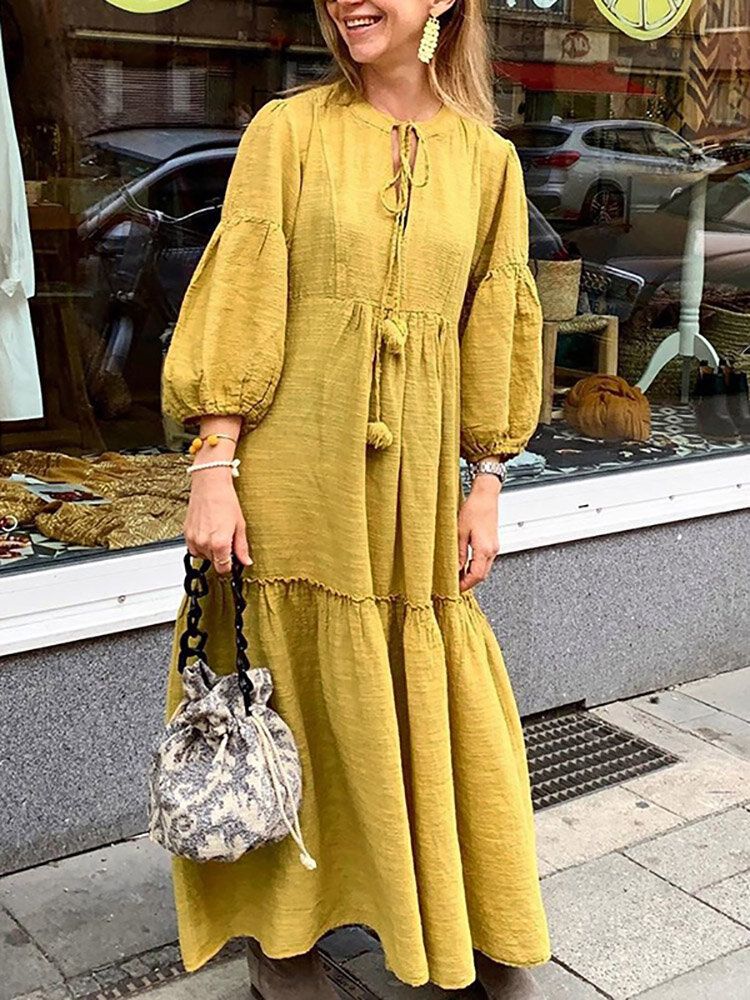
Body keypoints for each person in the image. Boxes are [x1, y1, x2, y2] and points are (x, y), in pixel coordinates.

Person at [160, 1, 552, 996]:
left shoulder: (487, 163)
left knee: (435, 689)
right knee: (297, 695)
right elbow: (243, 297)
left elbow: (493, 330)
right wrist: (214, 463)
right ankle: (283, 941)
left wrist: (488, 479)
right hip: (292, 478)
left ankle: (450, 909)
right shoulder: (287, 133)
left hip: (416, 492)